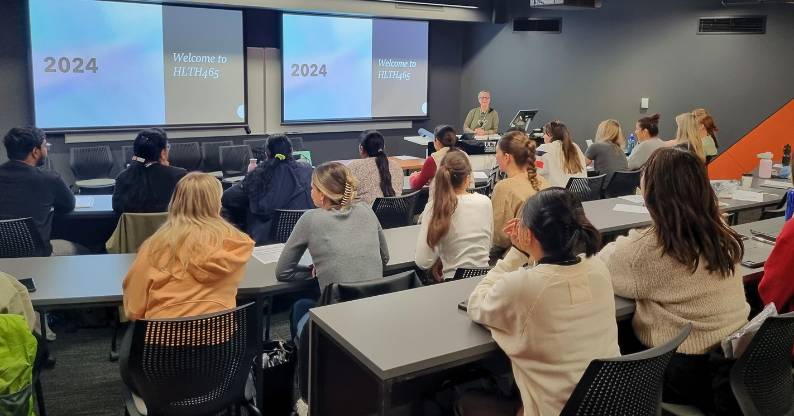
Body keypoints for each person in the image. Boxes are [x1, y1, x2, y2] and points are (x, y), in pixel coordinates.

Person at [598, 147, 747, 414]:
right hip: (733, 359)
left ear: (650, 195)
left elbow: (604, 264)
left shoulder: (648, 250)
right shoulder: (722, 232)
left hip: (683, 370)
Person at [461, 188, 619, 416]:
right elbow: (550, 277)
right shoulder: (598, 268)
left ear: (530, 235)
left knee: (462, 400)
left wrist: (517, 253)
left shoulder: (523, 287)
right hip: (606, 405)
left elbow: (477, 304)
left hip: (552, 409)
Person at [276, 162, 389, 337]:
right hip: (375, 313)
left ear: (322, 195)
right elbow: (385, 258)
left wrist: (314, 272)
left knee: (300, 306)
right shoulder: (366, 210)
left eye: (312, 188)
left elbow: (283, 272)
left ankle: (303, 361)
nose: (310, 191)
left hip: (338, 321)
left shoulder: (310, 219)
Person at [122, 172, 255, 320]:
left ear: (175, 203)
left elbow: (133, 310)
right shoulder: (237, 243)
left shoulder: (154, 248)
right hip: (218, 336)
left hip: (163, 338)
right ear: (217, 204)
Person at [415, 148, 492, 281]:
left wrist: (441, 256)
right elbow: (488, 245)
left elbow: (423, 262)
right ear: (468, 178)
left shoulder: (434, 207)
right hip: (483, 282)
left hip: (452, 284)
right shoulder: (485, 202)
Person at [222, 135, 314, 245]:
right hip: (304, 236)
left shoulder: (260, 175)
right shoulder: (308, 170)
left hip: (266, 239)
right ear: (292, 151)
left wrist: (249, 177)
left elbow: (228, 197)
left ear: (267, 154)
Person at [0, 127, 78, 256]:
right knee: (87, 249)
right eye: (45, 146)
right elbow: (68, 206)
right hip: (38, 256)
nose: (46, 150)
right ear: (35, 152)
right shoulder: (50, 179)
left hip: (2, 263)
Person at [491, 131, 549, 256]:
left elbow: (500, 238)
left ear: (507, 157)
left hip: (516, 258)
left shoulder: (504, 188)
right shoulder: (545, 182)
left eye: (497, 152)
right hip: (544, 253)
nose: (495, 156)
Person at [112, 128, 186, 214]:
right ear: (162, 153)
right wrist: (167, 170)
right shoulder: (179, 176)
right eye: (167, 147)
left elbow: (117, 207)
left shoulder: (122, 177)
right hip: (169, 227)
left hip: (134, 227)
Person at [347, 130, 403, 205]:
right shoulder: (396, 166)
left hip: (366, 215)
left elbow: (344, 196)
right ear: (383, 147)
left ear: (361, 148)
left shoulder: (353, 166)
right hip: (395, 214)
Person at [408, 125, 460, 191]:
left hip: (442, 199)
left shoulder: (433, 159)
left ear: (437, 141)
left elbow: (416, 185)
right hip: (464, 198)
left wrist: (413, 176)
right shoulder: (463, 155)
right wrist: (434, 181)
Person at [537, 120, 587, 187]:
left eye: (545, 134)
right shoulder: (575, 146)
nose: (543, 137)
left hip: (557, 194)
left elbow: (536, 168)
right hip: (581, 194)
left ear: (550, 135)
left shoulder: (543, 149)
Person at [584, 119, 628, 184]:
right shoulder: (620, 149)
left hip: (606, 189)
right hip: (624, 188)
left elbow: (580, 166)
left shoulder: (595, 146)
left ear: (602, 131)